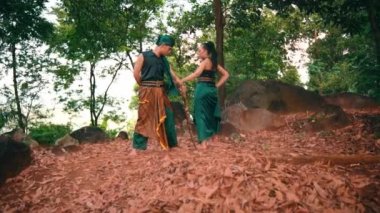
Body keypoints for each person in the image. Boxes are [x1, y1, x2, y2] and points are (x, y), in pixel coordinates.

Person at [132, 34, 185, 151]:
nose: (170, 51)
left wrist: (180, 83)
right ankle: (138, 147)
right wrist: (145, 87)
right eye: (169, 48)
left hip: (161, 92)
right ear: (163, 45)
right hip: (147, 91)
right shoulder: (144, 56)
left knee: (169, 114)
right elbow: (136, 73)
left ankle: (172, 145)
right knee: (144, 117)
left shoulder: (163, 60)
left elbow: (172, 74)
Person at [179, 41, 229, 148]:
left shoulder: (205, 62)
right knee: (210, 114)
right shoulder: (214, 63)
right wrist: (217, 85)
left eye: (200, 51)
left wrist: (182, 80)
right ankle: (213, 137)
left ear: (206, 51)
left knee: (200, 114)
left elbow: (196, 74)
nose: (198, 53)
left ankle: (204, 142)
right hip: (212, 91)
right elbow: (226, 75)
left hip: (202, 90)